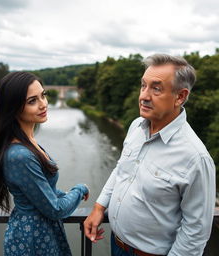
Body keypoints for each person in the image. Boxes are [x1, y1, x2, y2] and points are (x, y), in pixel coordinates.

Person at [84, 54, 216, 256]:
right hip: (116, 244)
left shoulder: (195, 157)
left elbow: (195, 231)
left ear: (180, 96)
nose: (143, 96)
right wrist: (99, 207)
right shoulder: (136, 126)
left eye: (156, 88)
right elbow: (122, 169)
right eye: (143, 86)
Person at [0, 71, 89, 256]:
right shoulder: (20, 155)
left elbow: (43, 190)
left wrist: (63, 194)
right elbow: (55, 209)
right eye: (32, 101)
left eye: (43, 95)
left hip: (40, 233)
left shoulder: (28, 142)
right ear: (14, 108)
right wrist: (79, 190)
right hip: (32, 239)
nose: (44, 104)